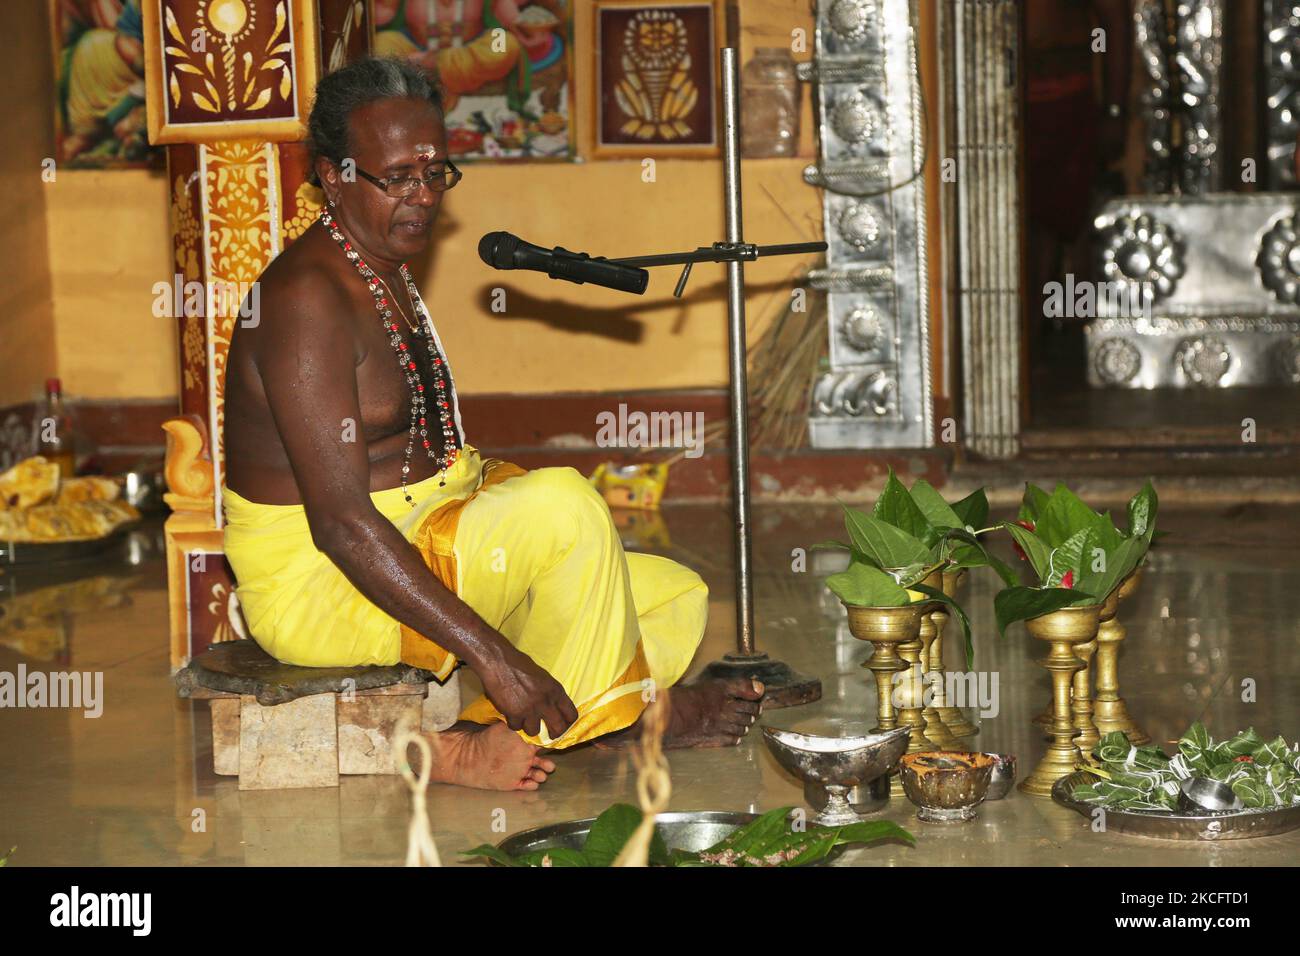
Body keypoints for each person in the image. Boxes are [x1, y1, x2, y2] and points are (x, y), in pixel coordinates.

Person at [222, 57, 763, 792]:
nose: (422, 198)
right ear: (335, 175)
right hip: (323, 588)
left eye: (436, 173)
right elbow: (343, 525)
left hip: (426, 531)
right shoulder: (302, 298)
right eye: (398, 178)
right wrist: (496, 658)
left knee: (671, 594)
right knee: (565, 508)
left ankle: (570, 716)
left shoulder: (381, 264)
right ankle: (556, 728)